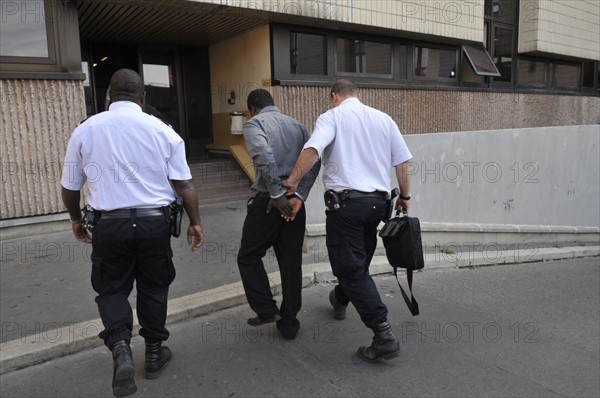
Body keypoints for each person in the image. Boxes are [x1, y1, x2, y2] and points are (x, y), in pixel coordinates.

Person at [60, 68, 204, 397]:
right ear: (143, 98)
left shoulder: (86, 130)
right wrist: (196, 223)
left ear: (108, 95)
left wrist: (75, 220)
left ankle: (121, 347)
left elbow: (70, 188)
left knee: (111, 290)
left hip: (109, 224)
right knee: (154, 287)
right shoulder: (164, 130)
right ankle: (154, 354)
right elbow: (185, 186)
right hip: (155, 224)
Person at [283, 79, 413, 362]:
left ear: (334, 97)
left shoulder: (332, 116)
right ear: (359, 94)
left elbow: (312, 150)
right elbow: (402, 162)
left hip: (348, 207)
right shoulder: (383, 119)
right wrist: (405, 196)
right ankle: (341, 299)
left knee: (351, 267)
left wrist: (292, 182)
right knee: (358, 261)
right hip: (379, 205)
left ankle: (383, 335)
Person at [237, 89, 320, 340]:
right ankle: (289, 322)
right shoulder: (298, 126)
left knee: (248, 256)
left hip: (267, 204)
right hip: (294, 205)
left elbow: (263, 157)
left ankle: (266, 309)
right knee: (291, 261)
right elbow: (313, 161)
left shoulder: (254, 124)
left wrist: (276, 194)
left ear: (252, 107)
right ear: (273, 104)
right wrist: (298, 196)